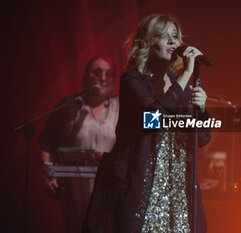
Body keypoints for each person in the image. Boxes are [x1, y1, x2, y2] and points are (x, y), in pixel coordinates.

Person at [83, 14, 210, 233]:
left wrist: (202, 109)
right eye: (163, 36)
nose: (173, 42)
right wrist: (185, 75)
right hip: (144, 190)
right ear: (147, 43)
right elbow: (152, 120)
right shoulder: (133, 81)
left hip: (177, 193)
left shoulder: (182, 89)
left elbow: (202, 138)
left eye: (175, 36)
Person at [39, 56, 119, 233]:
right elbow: (47, 141)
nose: (103, 78)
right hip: (75, 188)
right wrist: (49, 174)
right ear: (86, 76)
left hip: (110, 187)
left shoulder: (120, 106)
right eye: (97, 73)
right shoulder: (69, 106)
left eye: (109, 74)